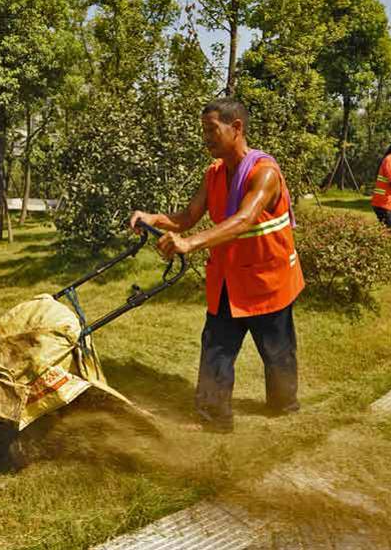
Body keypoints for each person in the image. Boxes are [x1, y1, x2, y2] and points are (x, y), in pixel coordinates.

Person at [129, 98, 305, 433]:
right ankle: (213, 419)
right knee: (216, 347)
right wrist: (153, 218)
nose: (206, 138)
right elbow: (188, 217)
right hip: (229, 282)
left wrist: (190, 243)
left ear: (236, 128)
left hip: (269, 281)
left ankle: (284, 408)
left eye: (212, 130)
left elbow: (244, 219)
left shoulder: (264, 173)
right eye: (203, 131)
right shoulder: (215, 174)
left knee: (278, 352)